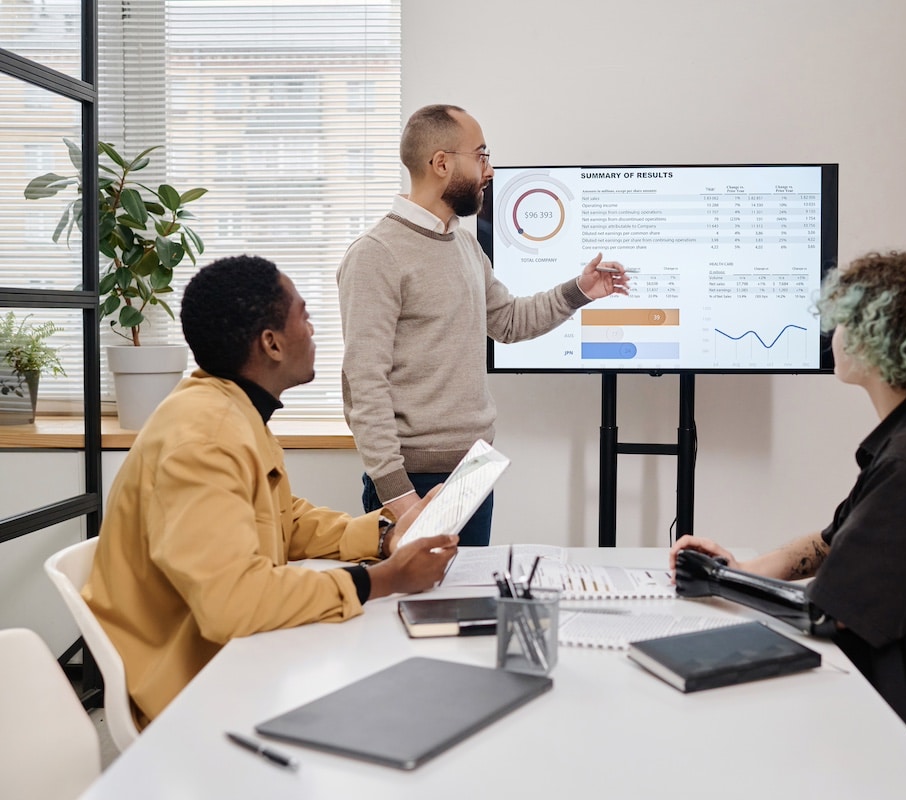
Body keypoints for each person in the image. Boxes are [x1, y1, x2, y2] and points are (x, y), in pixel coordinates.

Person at [670, 251, 906, 800]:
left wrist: (716, 582)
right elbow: (835, 543)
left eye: (844, 320)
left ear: (877, 340)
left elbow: (824, 614)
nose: (833, 332)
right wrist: (744, 568)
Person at [83, 255, 458, 729]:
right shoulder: (205, 436)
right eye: (304, 315)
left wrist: (386, 535)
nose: (313, 329)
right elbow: (233, 603)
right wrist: (386, 579)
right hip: (192, 696)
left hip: (234, 661)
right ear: (271, 344)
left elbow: (285, 520)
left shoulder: (230, 410)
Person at [337, 103, 630, 546]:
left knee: (466, 609)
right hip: (413, 481)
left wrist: (581, 290)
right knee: (418, 612)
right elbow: (364, 384)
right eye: (482, 155)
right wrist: (401, 500)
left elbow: (509, 321)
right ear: (441, 163)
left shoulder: (462, 245)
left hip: (472, 470)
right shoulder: (376, 253)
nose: (489, 170)